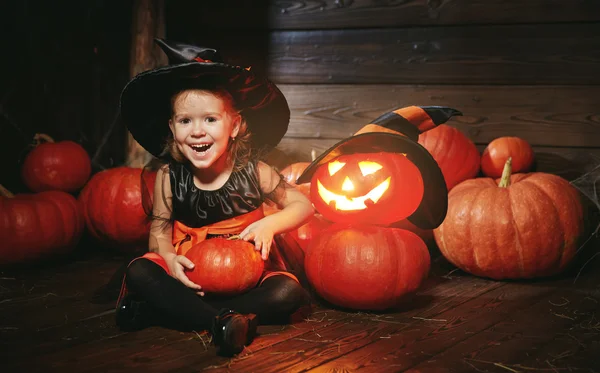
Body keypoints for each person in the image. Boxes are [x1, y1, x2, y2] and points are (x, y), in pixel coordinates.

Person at [115, 39, 314, 356]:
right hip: (190, 272)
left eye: (210, 119)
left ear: (234, 125)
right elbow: (159, 235)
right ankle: (227, 321)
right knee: (140, 271)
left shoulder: (256, 171)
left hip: (247, 271)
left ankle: (170, 313)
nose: (197, 131)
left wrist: (270, 225)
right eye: (185, 121)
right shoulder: (168, 177)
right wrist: (168, 257)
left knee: (286, 292)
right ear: (172, 128)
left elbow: (304, 204)